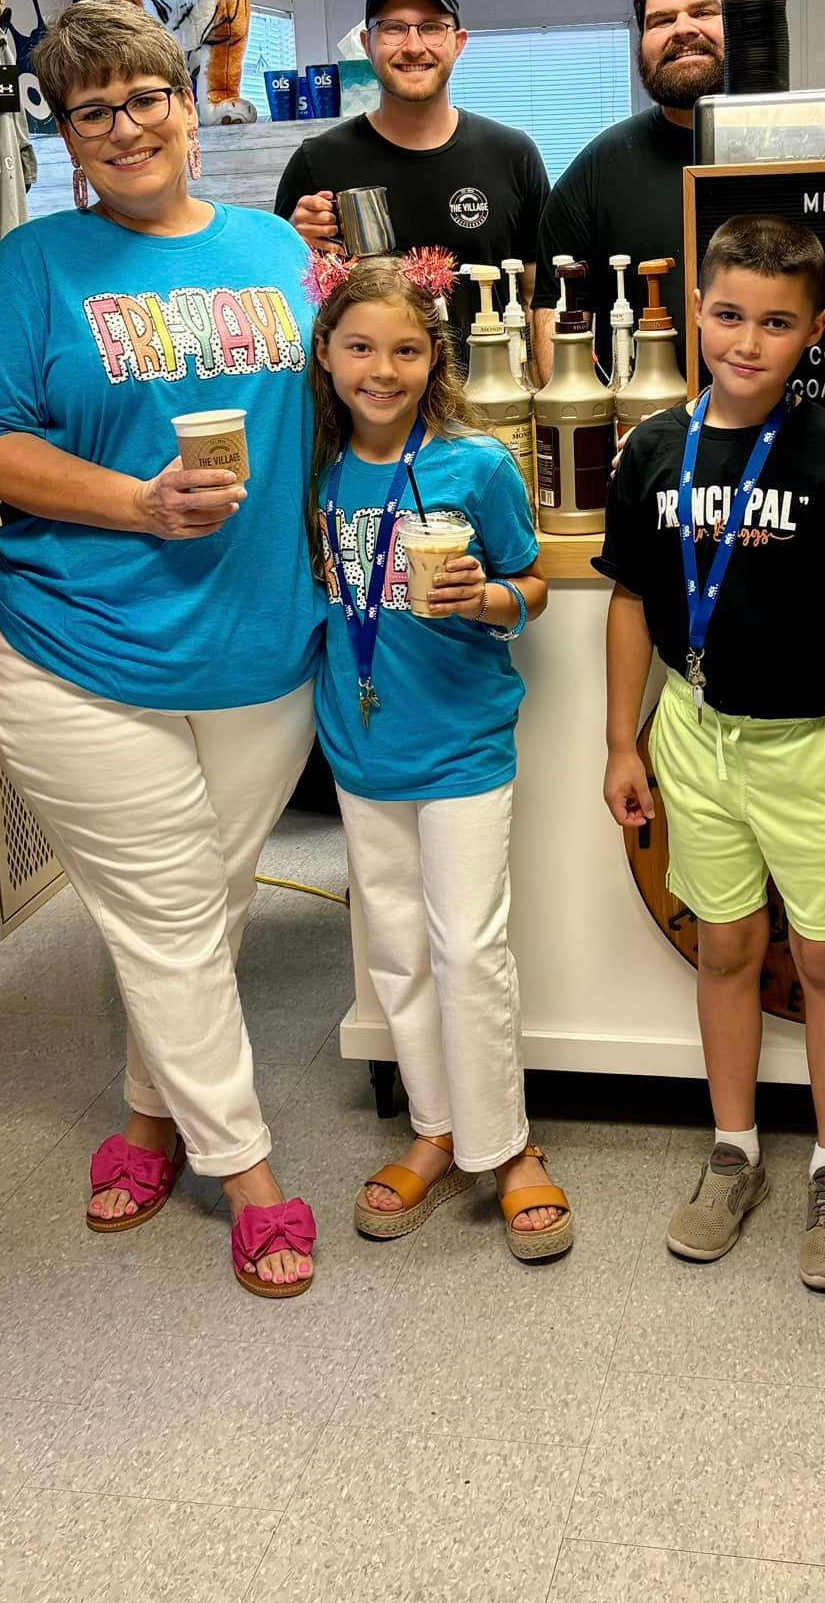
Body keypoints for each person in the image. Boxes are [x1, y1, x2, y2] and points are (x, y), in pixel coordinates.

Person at [0, 0, 323, 1298]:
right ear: (63, 134)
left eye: (145, 98)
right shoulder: (33, 267)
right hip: (79, 647)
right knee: (170, 916)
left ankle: (151, 1121)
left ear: (188, 102)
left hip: (261, 651)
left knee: (201, 911)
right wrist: (137, 503)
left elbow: (342, 406)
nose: (124, 126)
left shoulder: (276, 249)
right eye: (90, 110)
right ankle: (252, 1171)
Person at [598, 215, 825, 1290]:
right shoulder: (653, 448)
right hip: (697, 734)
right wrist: (622, 742)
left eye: (776, 321)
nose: (747, 340)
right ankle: (732, 1148)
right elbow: (636, 603)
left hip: (815, 742)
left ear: (813, 330)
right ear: (696, 311)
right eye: (728, 314)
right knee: (726, 947)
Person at [307, 248, 572, 1260]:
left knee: (469, 947)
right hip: (360, 744)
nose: (383, 368)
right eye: (362, 346)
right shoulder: (312, 469)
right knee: (395, 955)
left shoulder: (475, 464)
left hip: (461, 741)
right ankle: (432, 1126)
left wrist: (492, 598)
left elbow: (530, 582)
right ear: (326, 352)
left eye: (406, 349)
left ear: (435, 358)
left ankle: (506, 1145)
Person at [273, 0, 557, 374]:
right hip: (368, 416)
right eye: (393, 29)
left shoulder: (513, 155)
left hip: (495, 410)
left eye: (431, 28)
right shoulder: (317, 162)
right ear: (367, 44)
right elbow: (285, 310)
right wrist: (294, 244)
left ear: (458, 43)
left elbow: (536, 299)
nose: (412, 46)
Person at [541, 0, 752, 368]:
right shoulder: (597, 170)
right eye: (661, 20)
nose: (682, 29)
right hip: (639, 430)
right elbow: (549, 311)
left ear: (746, 26)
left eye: (704, 12)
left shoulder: (802, 152)